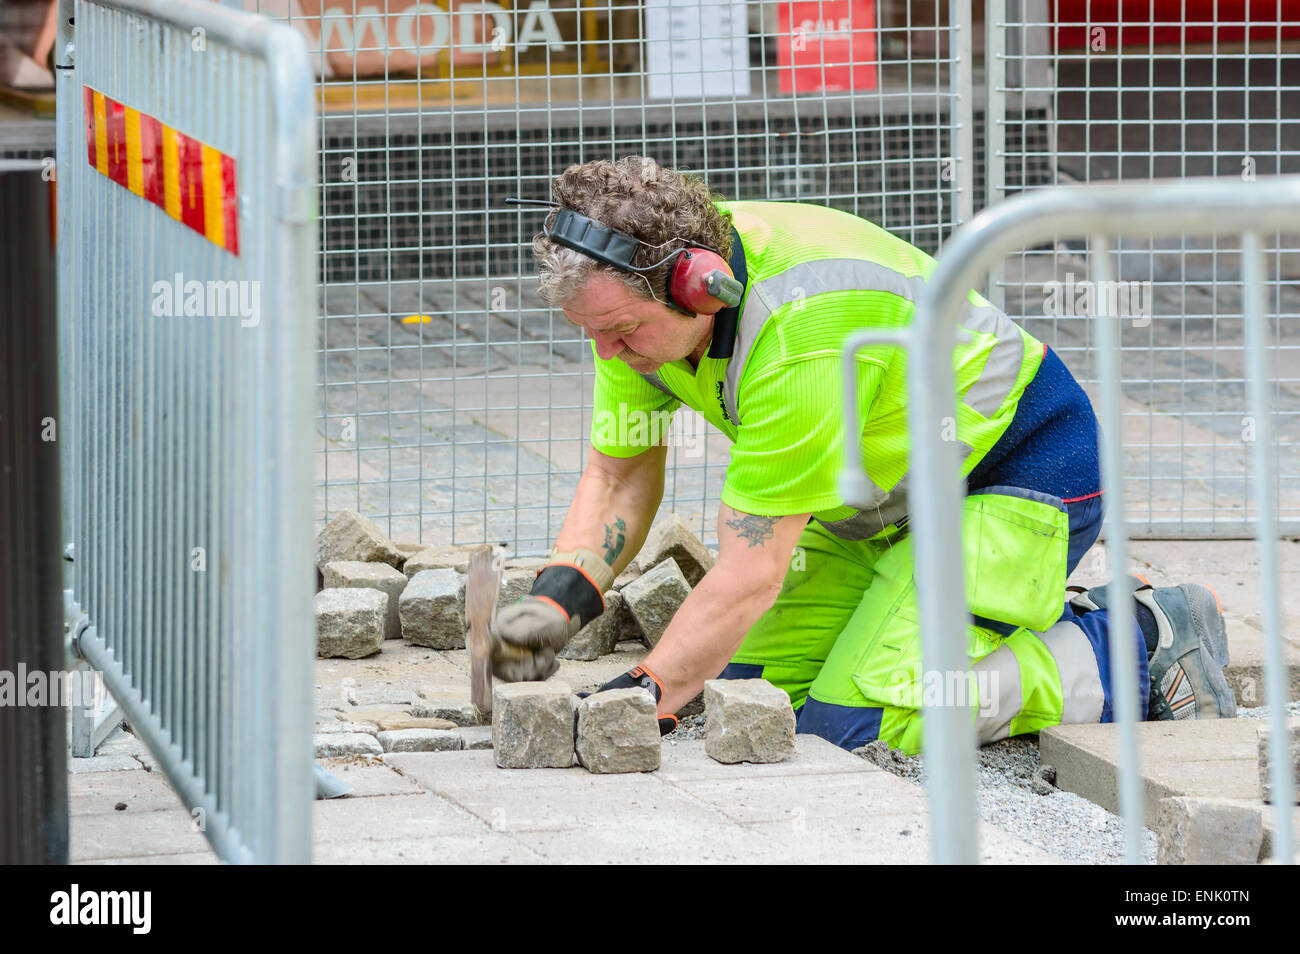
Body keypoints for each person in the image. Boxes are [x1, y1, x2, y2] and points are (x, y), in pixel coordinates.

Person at [488, 156, 1235, 752]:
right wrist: (553, 608)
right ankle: (966, 623)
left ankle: (1134, 637)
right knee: (746, 689)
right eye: (592, 332)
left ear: (700, 290)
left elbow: (751, 570)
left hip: (1016, 479)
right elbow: (618, 479)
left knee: (853, 725)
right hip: (877, 505)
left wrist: (642, 695)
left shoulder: (798, 329)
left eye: (620, 330)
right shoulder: (631, 323)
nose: (607, 354)